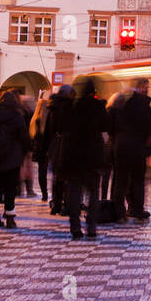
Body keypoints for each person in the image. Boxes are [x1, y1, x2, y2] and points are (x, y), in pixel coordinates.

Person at [61, 79, 107, 241]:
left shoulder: (73, 106)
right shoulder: (98, 107)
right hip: (93, 156)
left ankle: (75, 228)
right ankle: (92, 227)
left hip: (75, 155)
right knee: (93, 193)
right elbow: (106, 126)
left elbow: (64, 127)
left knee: (75, 193)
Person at [0, 89, 32, 228]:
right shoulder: (17, 116)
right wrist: (26, 150)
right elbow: (24, 137)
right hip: (12, 158)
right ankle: (10, 218)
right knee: (10, 188)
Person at [112, 79, 151, 221]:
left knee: (122, 180)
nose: (146, 89)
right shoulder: (142, 105)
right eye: (144, 87)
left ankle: (119, 211)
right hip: (136, 147)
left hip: (122, 147)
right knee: (137, 180)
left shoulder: (122, 103)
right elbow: (147, 127)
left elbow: (113, 124)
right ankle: (137, 209)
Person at [45, 85, 75, 215]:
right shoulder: (70, 108)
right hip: (67, 145)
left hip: (55, 145)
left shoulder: (53, 107)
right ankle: (66, 205)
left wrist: (47, 147)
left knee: (57, 177)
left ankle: (56, 204)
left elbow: (48, 129)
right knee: (68, 177)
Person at [29, 91, 52, 201]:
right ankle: (55, 195)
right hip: (48, 148)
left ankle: (44, 194)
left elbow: (32, 135)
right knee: (53, 172)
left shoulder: (34, 119)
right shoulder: (48, 118)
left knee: (41, 173)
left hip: (39, 149)